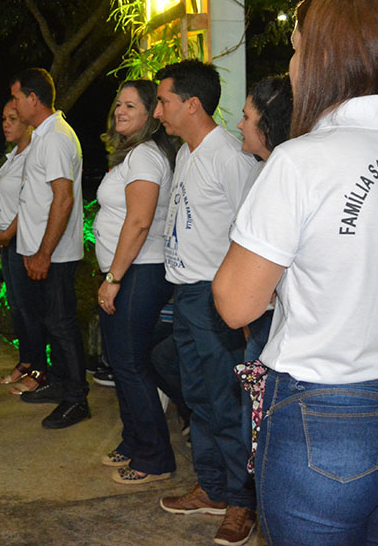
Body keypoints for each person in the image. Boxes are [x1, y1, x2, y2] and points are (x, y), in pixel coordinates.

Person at [214, 0, 378, 543]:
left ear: (322, 58)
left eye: (297, 48)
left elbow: (235, 304)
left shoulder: (300, 161)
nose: (292, 64)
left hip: (328, 423)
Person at [152, 59, 259, 546]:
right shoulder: (185, 154)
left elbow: (252, 235)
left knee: (226, 402)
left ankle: (241, 502)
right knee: (198, 399)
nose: (158, 112)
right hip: (185, 295)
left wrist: (243, 305)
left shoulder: (230, 158)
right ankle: (213, 487)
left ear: (192, 104)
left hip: (215, 297)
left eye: (163, 102)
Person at [94, 79, 179, 484]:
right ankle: (134, 442)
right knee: (122, 362)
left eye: (131, 105)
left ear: (151, 114)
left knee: (130, 364)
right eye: (118, 104)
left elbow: (140, 221)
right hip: (129, 271)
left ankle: (154, 457)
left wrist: (113, 277)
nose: (120, 111)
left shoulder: (145, 156)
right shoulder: (134, 155)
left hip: (139, 271)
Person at [9, 68, 89, 429]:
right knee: (51, 324)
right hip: (43, 252)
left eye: (16, 98)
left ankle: (77, 399)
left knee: (61, 324)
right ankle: (59, 382)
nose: (13, 105)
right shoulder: (44, 135)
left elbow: (63, 198)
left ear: (33, 98)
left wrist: (43, 253)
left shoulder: (55, 137)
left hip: (54, 254)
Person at [0, 99, 48, 394]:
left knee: (29, 308)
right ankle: (26, 360)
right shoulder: (12, 156)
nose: (6, 124)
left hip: (23, 240)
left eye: (12, 118)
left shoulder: (33, 156)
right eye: (3, 119)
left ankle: (39, 369)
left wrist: (7, 233)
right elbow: (5, 200)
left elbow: (28, 203)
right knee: (16, 306)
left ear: (27, 121)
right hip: (7, 241)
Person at [235, 75, 293, 365]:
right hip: (256, 313)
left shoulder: (289, 177)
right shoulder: (258, 171)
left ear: (268, 125)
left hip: (279, 318)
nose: (239, 125)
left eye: (246, 117)